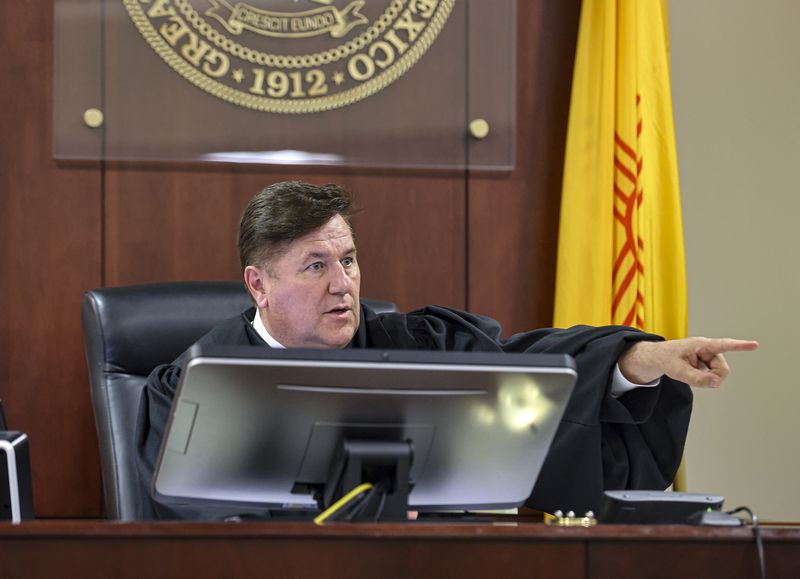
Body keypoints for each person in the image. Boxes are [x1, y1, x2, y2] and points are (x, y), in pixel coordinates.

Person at [135, 181, 758, 520]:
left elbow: (523, 369)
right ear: (257, 285)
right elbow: (198, 522)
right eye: (315, 266)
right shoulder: (195, 383)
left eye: (348, 260)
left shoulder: (411, 348)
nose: (343, 284)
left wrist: (636, 364)